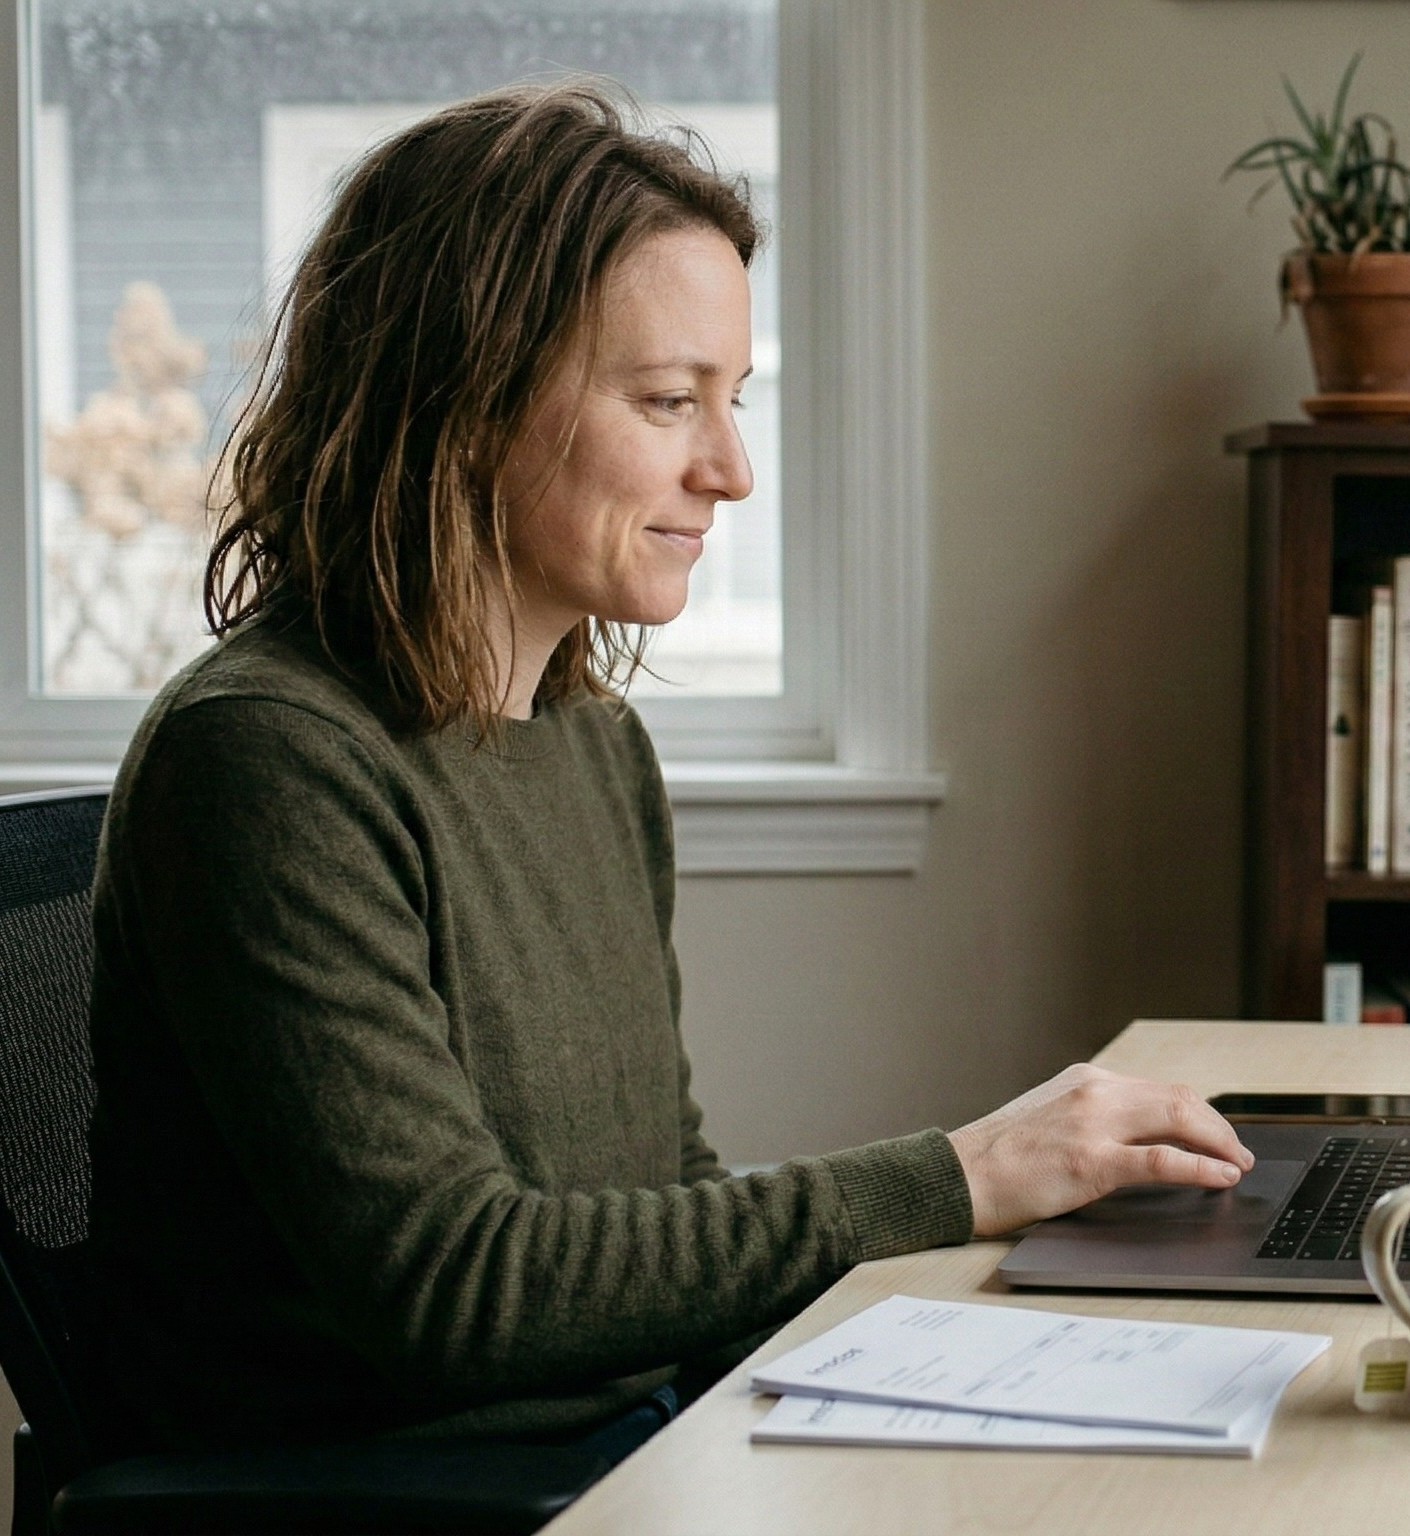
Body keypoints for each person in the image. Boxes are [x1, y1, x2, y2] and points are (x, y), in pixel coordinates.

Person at [81, 80, 1253, 1458]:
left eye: (734, 400)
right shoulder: (267, 761)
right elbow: (457, 1290)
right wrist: (966, 1175)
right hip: (408, 1492)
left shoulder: (595, 749)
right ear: (463, 402)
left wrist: (949, 1356)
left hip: (630, 1442)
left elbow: (662, 1197)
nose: (733, 469)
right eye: (666, 400)